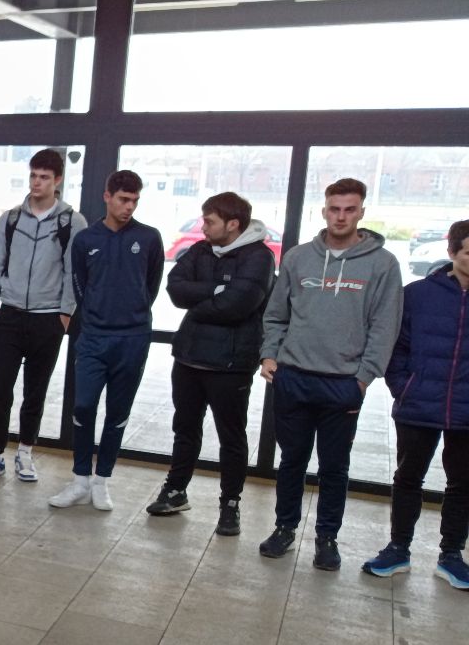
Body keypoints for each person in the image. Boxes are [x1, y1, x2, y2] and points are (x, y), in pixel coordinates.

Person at [259, 178, 403, 568]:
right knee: (291, 461)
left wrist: (363, 378)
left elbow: (384, 327)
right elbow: (276, 314)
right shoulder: (298, 257)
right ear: (323, 211)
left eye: (349, 209)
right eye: (334, 209)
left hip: (343, 383)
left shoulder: (382, 264)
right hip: (293, 377)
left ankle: (326, 538)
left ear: (361, 213)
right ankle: (284, 528)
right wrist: (270, 355)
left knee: (334, 467)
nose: (341, 216)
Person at [145, 193, 275, 536]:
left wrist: (199, 300)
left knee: (231, 437)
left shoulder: (259, 257)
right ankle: (175, 491)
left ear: (233, 224)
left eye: (209, 221)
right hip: (188, 357)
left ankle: (230, 504)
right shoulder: (201, 250)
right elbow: (175, 290)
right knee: (185, 429)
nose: (203, 227)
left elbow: (238, 305)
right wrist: (217, 289)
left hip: (230, 364)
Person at [362, 218, 469, 588]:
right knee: (408, 477)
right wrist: (403, 386)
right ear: (453, 252)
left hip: (466, 409)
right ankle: (398, 549)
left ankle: (451, 555)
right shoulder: (418, 294)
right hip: (419, 402)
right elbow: (397, 345)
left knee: (463, 483)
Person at [49, 171, 163, 512]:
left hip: (133, 338)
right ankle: (80, 479)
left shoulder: (149, 237)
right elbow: (80, 283)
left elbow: (152, 284)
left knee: (117, 412)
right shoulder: (86, 239)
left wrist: (133, 311)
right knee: (83, 406)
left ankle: (101, 481)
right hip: (93, 337)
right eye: (123, 199)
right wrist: (97, 313)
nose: (129, 207)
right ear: (107, 196)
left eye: (134, 201)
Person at [0, 149, 84, 483]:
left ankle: (25, 453)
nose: (37, 182)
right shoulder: (10, 218)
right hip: (7, 316)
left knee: (35, 392)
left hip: (48, 319)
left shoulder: (72, 221)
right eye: (33, 175)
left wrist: (64, 315)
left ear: (58, 180)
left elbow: (73, 272)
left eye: (44, 177)